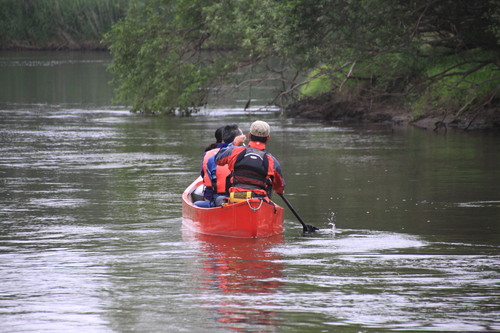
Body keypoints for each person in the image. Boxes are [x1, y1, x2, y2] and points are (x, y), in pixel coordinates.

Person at [215, 120, 284, 204]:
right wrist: (279, 191)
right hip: (259, 200)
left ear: (249, 135)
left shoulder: (235, 151)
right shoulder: (272, 160)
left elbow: (218, 159)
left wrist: (234, 144)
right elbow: (279, 187)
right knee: (273, 206)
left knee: (219, 199)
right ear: (268, 138)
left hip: (236, 197)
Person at [195, 124, 245, 208]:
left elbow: (205, 177)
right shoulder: (247, 153)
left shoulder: (210, 156)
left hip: (219, 198)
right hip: (242, 197)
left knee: (197, 204)